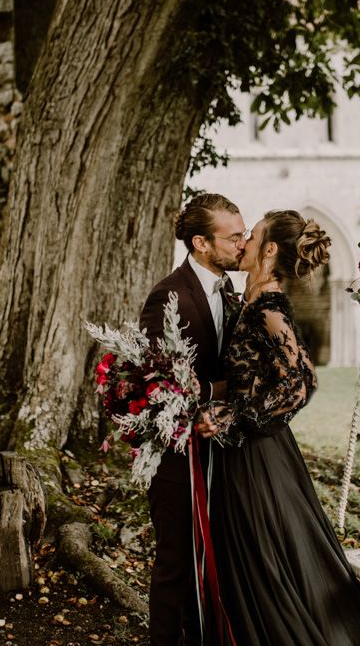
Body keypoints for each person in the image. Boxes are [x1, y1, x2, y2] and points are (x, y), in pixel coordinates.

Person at [200, 210, 360, 645]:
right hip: (253, 449)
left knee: (266, 559)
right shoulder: (255, 301)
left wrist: (233, 415)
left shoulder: (267, 306)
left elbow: (301, 382)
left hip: (258, 455)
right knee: (265, 556)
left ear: (270, 249)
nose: (243, 244)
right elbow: (261, 376)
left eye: (251, 237)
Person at [139, 193, 248, 646]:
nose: (243, 244)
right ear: (201, 242)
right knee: (175, 565)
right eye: (234, 237)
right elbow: (150, 381)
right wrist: (214, 394)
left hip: (222, 452)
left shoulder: (230, 291)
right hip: (177, 457)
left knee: (217, 559)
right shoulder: (169, 294)